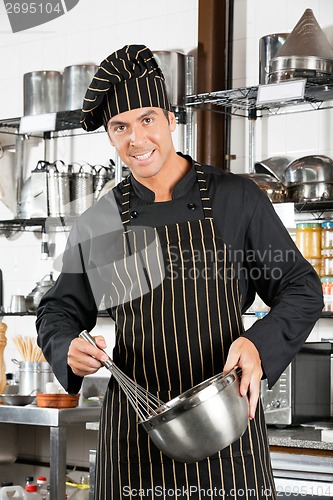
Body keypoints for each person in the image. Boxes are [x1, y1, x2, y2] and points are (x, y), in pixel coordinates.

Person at [36, 45, 323, 499]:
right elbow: (57, 310)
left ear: (172, 119)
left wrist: (258, 344)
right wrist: (66, 345)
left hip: (228, 432)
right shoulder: (100, 220)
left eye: (147, 119)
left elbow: (301, 289)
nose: (137, 139)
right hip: (134, 442)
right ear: (110, 136)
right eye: (120, 127)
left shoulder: (237, 200)